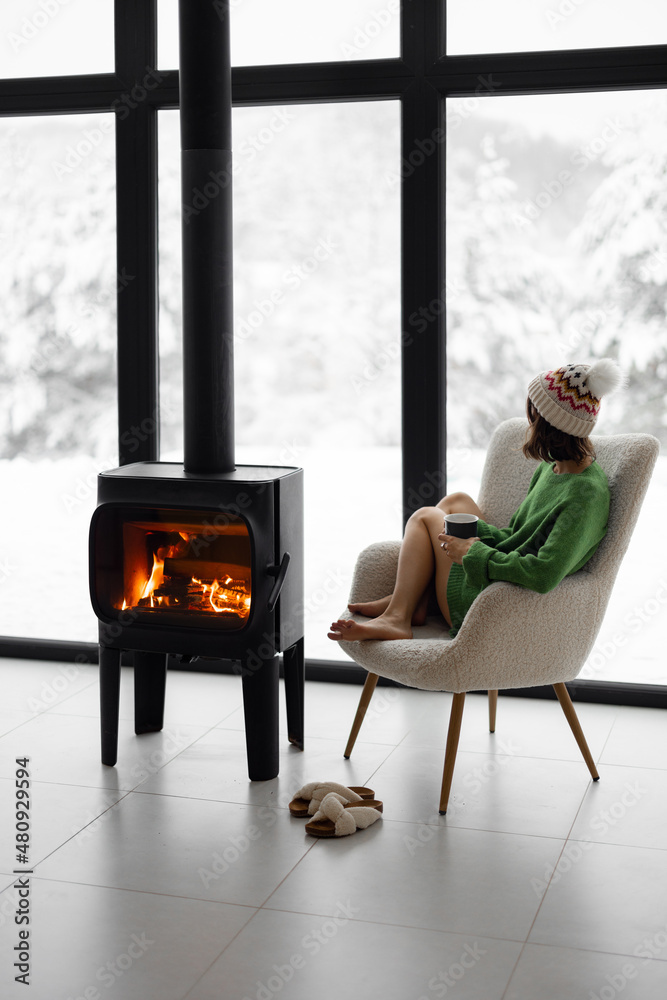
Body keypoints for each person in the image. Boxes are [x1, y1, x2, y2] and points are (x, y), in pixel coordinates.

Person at [328, 358, 624, 643]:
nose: (529, 424)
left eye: (534, 417)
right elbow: (516, 537)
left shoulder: (586, 496)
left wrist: (474, 553)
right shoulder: (555, 467)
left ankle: (398, 617)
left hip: (493, 602)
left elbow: (543, 574)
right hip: (496, 574)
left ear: (551, 426)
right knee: (458, 501)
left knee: (425, 516)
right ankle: (413, 601)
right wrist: (474, 539)